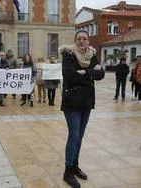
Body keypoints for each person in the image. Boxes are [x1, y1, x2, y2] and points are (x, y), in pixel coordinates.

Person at [60, 30, 105, 188]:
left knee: (80, 136)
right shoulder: (68, 54)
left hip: (86, 101)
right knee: (74, 134)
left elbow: (101, 74)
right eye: (79, 39)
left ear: (88, 41)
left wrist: (85, 72)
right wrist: (92, 73)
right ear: (75, 41)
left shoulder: (92, 55)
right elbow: (69, 75)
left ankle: (75, 165)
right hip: (72, 101)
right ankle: (67, 171)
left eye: (84, 39)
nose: (81, 41)